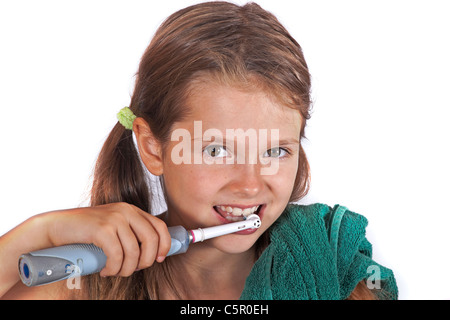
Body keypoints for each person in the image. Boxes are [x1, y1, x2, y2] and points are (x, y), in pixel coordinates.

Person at [0, 1, 397, 300]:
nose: (249, 185)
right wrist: (41, 231)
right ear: (153, 147)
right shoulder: (83, 286)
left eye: (276, 151)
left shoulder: (334, 266)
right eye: (217, 150)